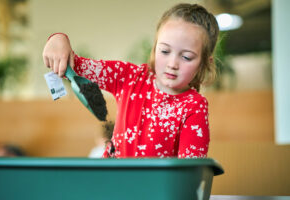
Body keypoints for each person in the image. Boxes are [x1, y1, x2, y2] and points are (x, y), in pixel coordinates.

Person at [43, 3, 219, 158]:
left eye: (187, 57)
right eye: (165, 51)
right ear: (155, 47)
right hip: (109, 186)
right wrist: (58, 38)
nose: (172, 64)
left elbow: (189, 175)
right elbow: (75, 67)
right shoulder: (130, 77)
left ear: (204, 62)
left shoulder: (194, 106)